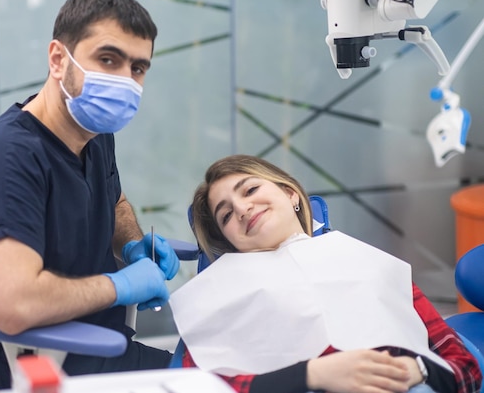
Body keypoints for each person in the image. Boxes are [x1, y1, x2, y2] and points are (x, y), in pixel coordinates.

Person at [0, 0, 180, 391]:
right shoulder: (10, 159)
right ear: (58, 59)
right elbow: (14, 306)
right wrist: (121, 285)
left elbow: (113, 196)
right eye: (108, 59)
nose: (125, 81)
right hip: (33, 368)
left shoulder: (94, 132)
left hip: (99, 349)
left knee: (234, 365)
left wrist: (133, 245)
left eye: (138, 68)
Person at [171, 154, 481, 393]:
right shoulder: (221, 293)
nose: (242, 209)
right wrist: (312, 374)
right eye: (226, 215)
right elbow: (199, 387)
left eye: (250, 189)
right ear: (231, 241)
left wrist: (419, 371)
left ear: (291, 194)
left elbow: (466, 369)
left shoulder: (370, 265)